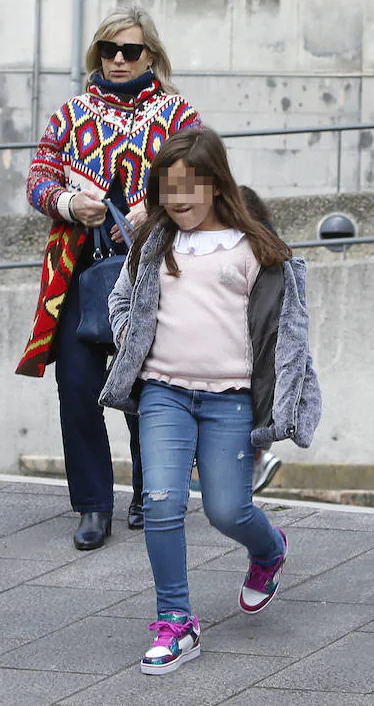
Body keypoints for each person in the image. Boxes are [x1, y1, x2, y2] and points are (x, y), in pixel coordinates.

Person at [100, 126, 321, 675]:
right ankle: (176, 621)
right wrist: (130, 337)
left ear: (217, 186)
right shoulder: (155, 243)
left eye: (190, 188)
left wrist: (286, 402)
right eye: (169, 190)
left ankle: (268, 551)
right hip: (163, 394)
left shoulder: (255, 249)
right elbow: (121, 297)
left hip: (229, 401)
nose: (179, 201)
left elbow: (285, 330)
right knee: (160, 502)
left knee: (227, 510)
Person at [16, 6, 201, 550]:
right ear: (97, 53)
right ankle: (93, 504)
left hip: (156, 274)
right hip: (79, 273)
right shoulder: (70, 113)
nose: (119, 60)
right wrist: (70, 202)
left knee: (150, 385)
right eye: (109, 50)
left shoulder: (178, 115)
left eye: (131, 51)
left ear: (151, 55)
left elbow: (204, 175)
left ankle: (150, 491)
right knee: (76, 387)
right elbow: (38, 179)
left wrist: (157, 206)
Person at [239, 185, 283, 495]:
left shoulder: (243, 246)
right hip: (264, 343)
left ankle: (258, 458)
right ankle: (260, 456)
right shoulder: (271, 245)